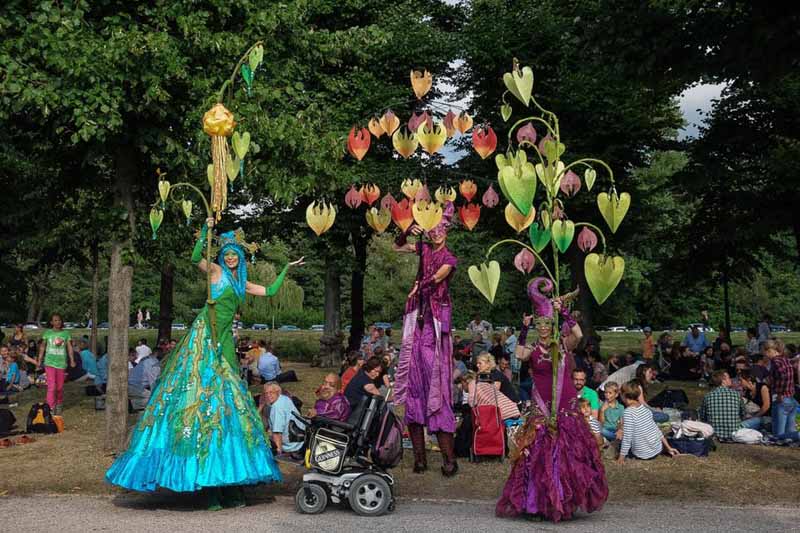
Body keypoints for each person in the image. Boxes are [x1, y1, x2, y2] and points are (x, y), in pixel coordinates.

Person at [105, 221, 304, 510]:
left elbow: (271, 291)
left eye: (235, 255)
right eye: (228, 254)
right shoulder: (216, 272)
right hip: (205, 336)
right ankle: (208, 486)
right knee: (200, 398)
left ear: (242, 258)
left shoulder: (240, 283)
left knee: (229, 401)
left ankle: (228, 483)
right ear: (223, 258)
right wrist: (205, 232)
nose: (231, 258)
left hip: (224, 339)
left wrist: (287, 267)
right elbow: (195, 257)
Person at [496, 278, 607, 522]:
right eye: (540, 324)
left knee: (568, 453)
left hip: (565, 403)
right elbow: (518, 354)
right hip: (542, 404)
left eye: (547, 323)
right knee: (538, 454)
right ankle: (538, 503)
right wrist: (524, 329)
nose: (544, 327)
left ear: (553, 325)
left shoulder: (564, 345)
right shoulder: (534, 348)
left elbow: (578, 334)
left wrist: (563, 311)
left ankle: (565, 502)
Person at [393, 203, 459, 477]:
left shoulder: (449, 258)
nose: (436, 232)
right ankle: (419, 458)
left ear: (448, 229)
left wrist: (420, 285)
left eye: (441, 227)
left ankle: (448, 459)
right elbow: (398, 247)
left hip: (435, 325)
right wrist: (408, 229)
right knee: (414, 392)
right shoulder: (423, 248)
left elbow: (437, 277)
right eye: (432, 228)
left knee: (436, 390)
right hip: (417, 324)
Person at [617, 381, 679, 463]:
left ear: (624, 396)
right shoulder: (644, 409)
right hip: (657, 450)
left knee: (620, 443)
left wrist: (621, 458)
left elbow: (627, 438)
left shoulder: (628, 413)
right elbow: (657, 430)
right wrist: (669, 448)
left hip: (643, 454)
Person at [37, 313, 75, 414]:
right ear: (51, 322)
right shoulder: (47, 333)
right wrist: (39, 361)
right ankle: (50, 408)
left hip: (61, 363)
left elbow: (69, 348)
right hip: (49, 363)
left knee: (59, 387)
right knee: (51, 387)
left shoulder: (66, 334)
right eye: (55, 320)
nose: (57, 322)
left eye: (59, 320)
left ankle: (59, 403)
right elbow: (42, 347)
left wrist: (72, 360)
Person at [698, 370, 745, 440]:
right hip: (735, 432)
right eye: (729, 378)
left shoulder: (708, 396)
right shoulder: (736, 394)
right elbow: (742, 413)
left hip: (713, 432)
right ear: (723, 381)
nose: (731, 380)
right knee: (758, 420)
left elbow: (703, 417)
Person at [766, 340, 798, 441]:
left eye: (767, 351)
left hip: (781, 398)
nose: (766, 354)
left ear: (773, 350)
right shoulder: (785, 359)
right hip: (791, 397)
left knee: (778, 434)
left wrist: (780, 393)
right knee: (789, 432)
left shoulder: (775, 361)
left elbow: (783, 376)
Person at [262, 383, 304, 457]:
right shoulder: (284, 398)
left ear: (278, 392)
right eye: (266, 393)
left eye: (271, 392)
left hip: (292, 446)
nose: (268, 395)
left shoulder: (277, 408)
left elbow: (277, 433)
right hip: (301, 438)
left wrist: (279, 451)